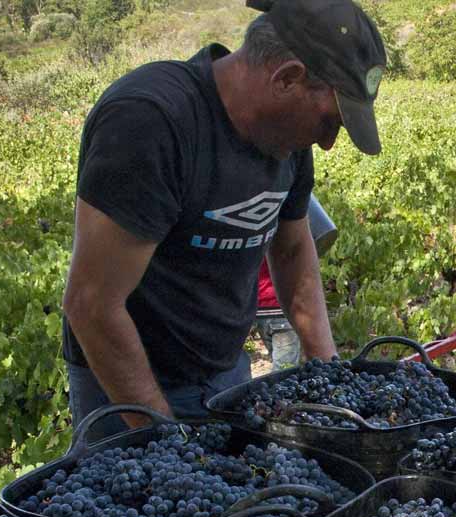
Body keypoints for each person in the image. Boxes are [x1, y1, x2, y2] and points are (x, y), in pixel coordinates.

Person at [59, 0, 386, 433]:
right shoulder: (151, 121)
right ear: (287, 78)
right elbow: (91, 304)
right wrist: (162, 438)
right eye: (331, 122)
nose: (327, 143)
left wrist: (327, 368)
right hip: (124, 385)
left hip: (226, 376)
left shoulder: (288, 140)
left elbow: (291, 248)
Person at [252, 195, 337, 367]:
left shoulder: (251, 236)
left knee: (279, 366)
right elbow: (295, 258)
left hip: (259, 310)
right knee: (283, 370)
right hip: (281, 310)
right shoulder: (285, 236)